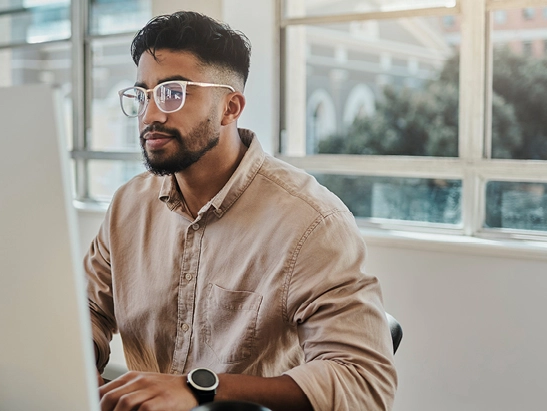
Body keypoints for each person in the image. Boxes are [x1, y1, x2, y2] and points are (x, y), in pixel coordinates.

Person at [84, 11, 397, 411]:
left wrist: (200, 389)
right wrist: (78, 369)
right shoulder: (128, 205)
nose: (150, 116)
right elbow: (88, 310)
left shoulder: (312, 222)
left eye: (172, 93)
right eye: (143, 95)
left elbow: (364, 383)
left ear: (230, 108)